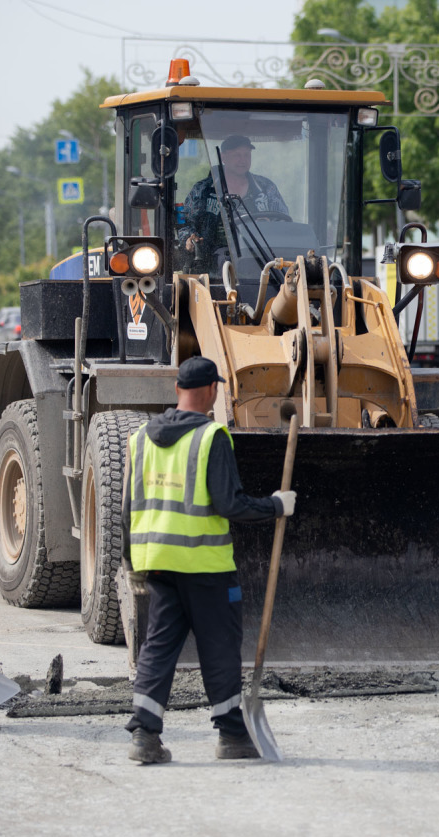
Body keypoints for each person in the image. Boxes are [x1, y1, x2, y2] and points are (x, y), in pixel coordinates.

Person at [123, 355, 297, 764]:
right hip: (205, 566)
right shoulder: (211, 437)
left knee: (159, 646)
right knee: (219, 647)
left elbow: (127, 507)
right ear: (212, 391)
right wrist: (275, 506)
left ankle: (144, 736)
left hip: (159, 563)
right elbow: (229, 504)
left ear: (178, 389)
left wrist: (131, 562)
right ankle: (233, 736)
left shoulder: (141, 438)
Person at [176, 134, 289, 271]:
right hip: (211, 265)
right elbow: (184, 224)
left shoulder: (266, 188)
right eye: (237, 155)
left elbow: (284, 222)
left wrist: (269, 226)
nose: (243, 160)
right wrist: (189, 239)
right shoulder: (203, 190)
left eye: (247, 155)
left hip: (261, 262)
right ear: (223, 157)